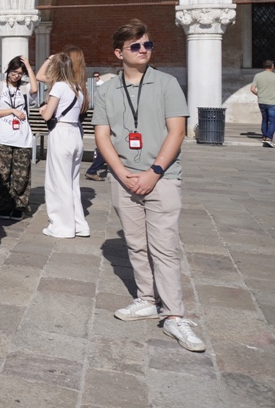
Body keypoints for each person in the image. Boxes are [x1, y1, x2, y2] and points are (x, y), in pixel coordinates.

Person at [93, 19, 205, 353]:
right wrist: (120, 172)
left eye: (147, 44)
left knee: (164, 247)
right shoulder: (106, 90)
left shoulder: (166, 83)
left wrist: (154, 172)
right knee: (136, 244)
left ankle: (173, 314)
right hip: (123, 178)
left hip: (162, 177)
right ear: (119, 53)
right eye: (136, 46)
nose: (144, 50)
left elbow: (177, 131)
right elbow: (102, 135)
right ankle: (146, 298)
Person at [37, 49, 89, 239]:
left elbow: (47, 115)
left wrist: (43, 109)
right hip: (75, 133)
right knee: (72, 182)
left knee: (58, 181)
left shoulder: (59, 86)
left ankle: (62, 226)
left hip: (61, 132)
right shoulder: (78, 87)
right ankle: (79, 224)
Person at [0, 55, 37, 220]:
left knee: (22, 175)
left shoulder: (25, 88)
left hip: (22, 138)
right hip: (2, 137)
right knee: (3, 174)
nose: (16, 76)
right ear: (8, 70)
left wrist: (29, 66)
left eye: (20, 73)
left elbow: (35, 89)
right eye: (14, 72)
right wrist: (12, 110)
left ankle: (19, 206)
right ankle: (3, 206)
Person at [251, 59, 275, 147]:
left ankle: (264, 136)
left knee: (265, 119)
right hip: (272, 101)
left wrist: (259, 94)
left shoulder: (258, 76)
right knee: (272, 121)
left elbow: (252, 89)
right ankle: (268, 138)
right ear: (272, 67)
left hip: (262, 101)